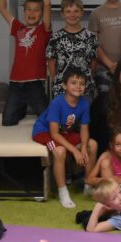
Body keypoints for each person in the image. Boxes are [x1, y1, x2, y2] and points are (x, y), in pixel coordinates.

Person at [0, 0, 51, 126]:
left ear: (41, 14)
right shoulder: (18, 28)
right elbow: (2, 9)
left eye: (36, 10)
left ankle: (29, 104)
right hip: (16, 83)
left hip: (35, 84)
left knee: (48, 121)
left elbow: (47, 4)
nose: (32, 13)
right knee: (8, 121)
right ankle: (21, 107)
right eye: (28, 9)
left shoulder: (43, 30)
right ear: (24, 11)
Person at [32, 68, 91, 208]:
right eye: (73, 83)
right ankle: (63, 192)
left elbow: (84, 129)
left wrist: (83, 147)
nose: (78, 86)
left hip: (63, 132)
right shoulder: (57, 103)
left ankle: (89, 185)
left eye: (82, 83)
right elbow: (54, 134)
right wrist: (75, 151)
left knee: (91, 145)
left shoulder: (84, 103)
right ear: (65, 85)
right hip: (44, 133)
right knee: (60, 151)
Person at [46, 0, 99, 99]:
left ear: (82, 13)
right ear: (62, 14)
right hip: (62, 90)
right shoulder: (55, 38)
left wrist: (87, 78)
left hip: (85, 89)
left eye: (76, 11)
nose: (72, 15)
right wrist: (57, 81)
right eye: (68, 11)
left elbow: (94, 62)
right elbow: (51, 62)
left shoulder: (91, 37)